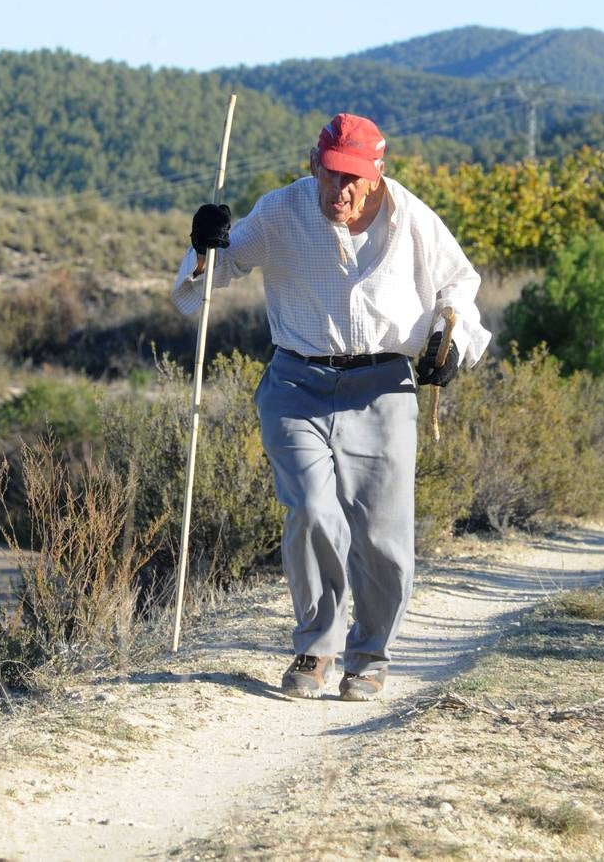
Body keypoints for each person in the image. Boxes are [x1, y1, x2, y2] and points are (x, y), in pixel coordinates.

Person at [172, 112, 490, 701]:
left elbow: (459, 286)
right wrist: (203, 245)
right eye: (331, 174)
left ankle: (369, 655)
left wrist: (454, 341)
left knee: (382, 535)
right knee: (313, 510)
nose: (339, 190)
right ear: (314, 164)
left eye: (354, 178)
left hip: (383, 384)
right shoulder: (280, 211)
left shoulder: (412, 219)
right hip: (296, 383)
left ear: (375, 176)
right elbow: (208, 281)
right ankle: (316, 647)